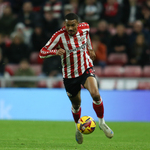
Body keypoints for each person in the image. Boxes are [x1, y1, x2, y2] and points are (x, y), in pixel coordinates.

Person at [39, 13, 114, 144]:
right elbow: (42, 52)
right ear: (65, 24)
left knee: (95, 94)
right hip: (69, 75)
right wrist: (55, 52)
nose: (70, 28)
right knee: (76, 104)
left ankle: (102, 123)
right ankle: (78, 128)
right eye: (67, 25)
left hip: (86, 68)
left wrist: (90, 49)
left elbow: (87, 37)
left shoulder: (85, 27)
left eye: (73, 25)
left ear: (78, 24)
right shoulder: (58, 36)